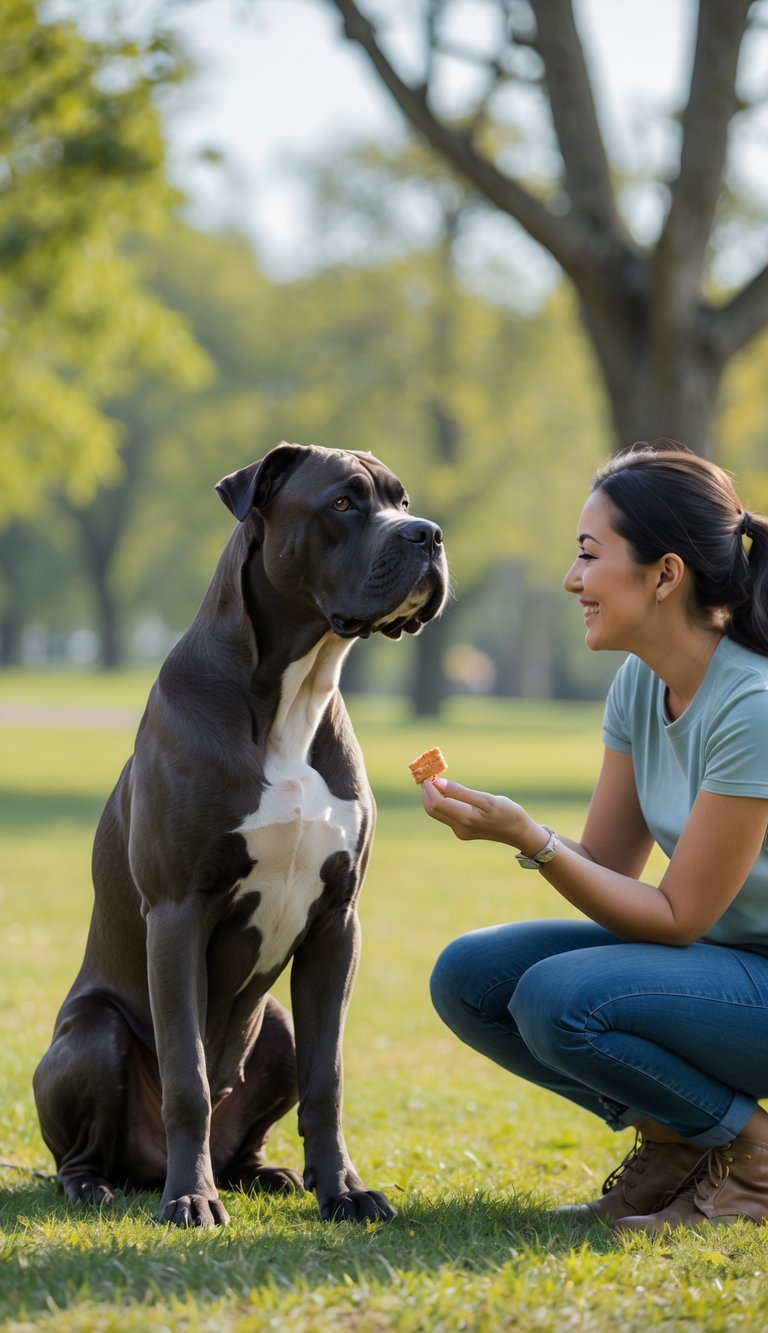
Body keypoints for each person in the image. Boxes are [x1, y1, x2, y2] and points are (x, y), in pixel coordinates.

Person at [424, 442, 768, 1233]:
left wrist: (535, 839)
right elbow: (611, 871)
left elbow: (677, 915)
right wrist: (506, 826)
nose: (573, 579)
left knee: (557, 999)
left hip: (753, 978)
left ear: (665, 574)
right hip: (722, 969)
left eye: (589, 555)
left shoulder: (751, 704)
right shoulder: (642, 683)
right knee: (471, 975)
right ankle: (681, 1134)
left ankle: (756, 1152)